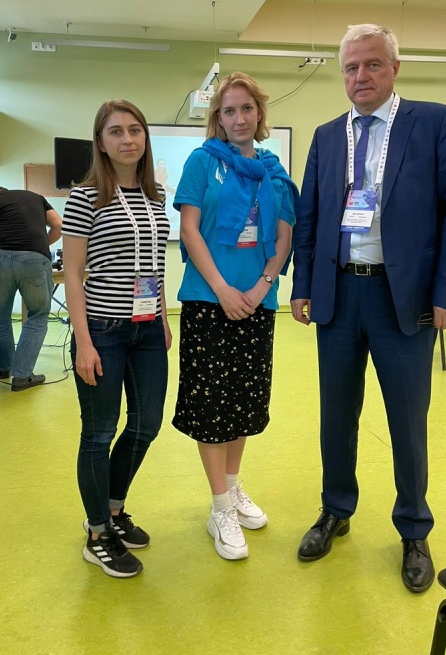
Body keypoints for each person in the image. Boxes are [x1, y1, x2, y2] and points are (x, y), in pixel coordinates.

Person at [291, 24, 446, 592]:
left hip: (406, 299)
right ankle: (335, 509)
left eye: (372, 64)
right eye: (350, 67)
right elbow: (310, 216)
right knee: (336, 415)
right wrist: (303, 285)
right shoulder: (327, 136)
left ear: (395, 68)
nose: (360, 76)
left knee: (407, 420)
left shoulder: (434, 122)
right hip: (340, 295)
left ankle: (414, 529)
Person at [172, 72, 298, 561]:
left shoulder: (274, 172)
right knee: (211, 407)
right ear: (218, 118)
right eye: (229, 111)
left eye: (247, 108)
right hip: (209, 301)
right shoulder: (202, 162)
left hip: (258, 302)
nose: (239, 118)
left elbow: (283, 235)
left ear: (259, 113)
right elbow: (189, 229)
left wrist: (263, 285)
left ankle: (232, 485)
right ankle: (220, 507)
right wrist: (223, 289)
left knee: (243, 402)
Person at [62, 99, 171, 579]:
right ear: (101, 143)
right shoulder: (84, 198)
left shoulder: (156, 196)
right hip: (102, 330)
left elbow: (155, 262)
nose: (128, 139)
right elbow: (73, 274)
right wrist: (83, 342)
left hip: (148, 329)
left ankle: (113, 508)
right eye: (116, 132)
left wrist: (163, 318)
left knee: (147, 425)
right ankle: (97, 533)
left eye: (135, 130)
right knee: (99, 432)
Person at [0, 186, 62, 390]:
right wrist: (38, 245)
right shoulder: (35, 197)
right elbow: (58, 225)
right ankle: (22, 375)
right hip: (33, 259)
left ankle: (4, 368)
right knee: (37, 316)